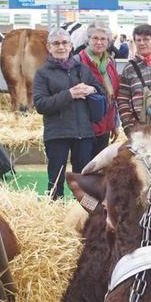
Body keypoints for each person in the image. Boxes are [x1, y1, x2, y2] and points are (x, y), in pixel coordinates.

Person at [33, 28, 105, 200]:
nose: (61, 47)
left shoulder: (84, 69)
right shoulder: (43, 73)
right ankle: (54, 212)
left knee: (83, 181)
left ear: (71, 46)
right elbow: (40, 104)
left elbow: (101, 90)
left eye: (64, 42)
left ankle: (83, 215)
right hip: (58, 133)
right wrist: (69, 94)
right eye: (56, 43)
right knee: (55, 180)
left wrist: (92, 88)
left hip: (84, 133)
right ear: (48, 47)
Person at [77, 21, 119, 157]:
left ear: (108, 42)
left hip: (105, 125)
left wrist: (114, 123)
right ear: (87, 40)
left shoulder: (110, 62)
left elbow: (113, 95)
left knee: (99, 169)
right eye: (95, 38)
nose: (99, 42)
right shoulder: (78, 61)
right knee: (83, 168)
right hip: (84, 127)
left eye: (103, 39)